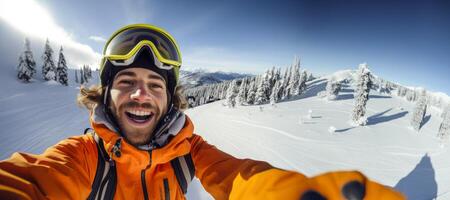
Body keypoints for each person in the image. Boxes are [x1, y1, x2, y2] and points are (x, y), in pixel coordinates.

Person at [0, 24, 405, 200]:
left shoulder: (188, 151)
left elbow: (242, 179)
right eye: (126, 82)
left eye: (156, 85)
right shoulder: (82, 157)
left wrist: (298, 193)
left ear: (170, 98)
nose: (141, 94)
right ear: (105, 95)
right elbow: (31, 181)